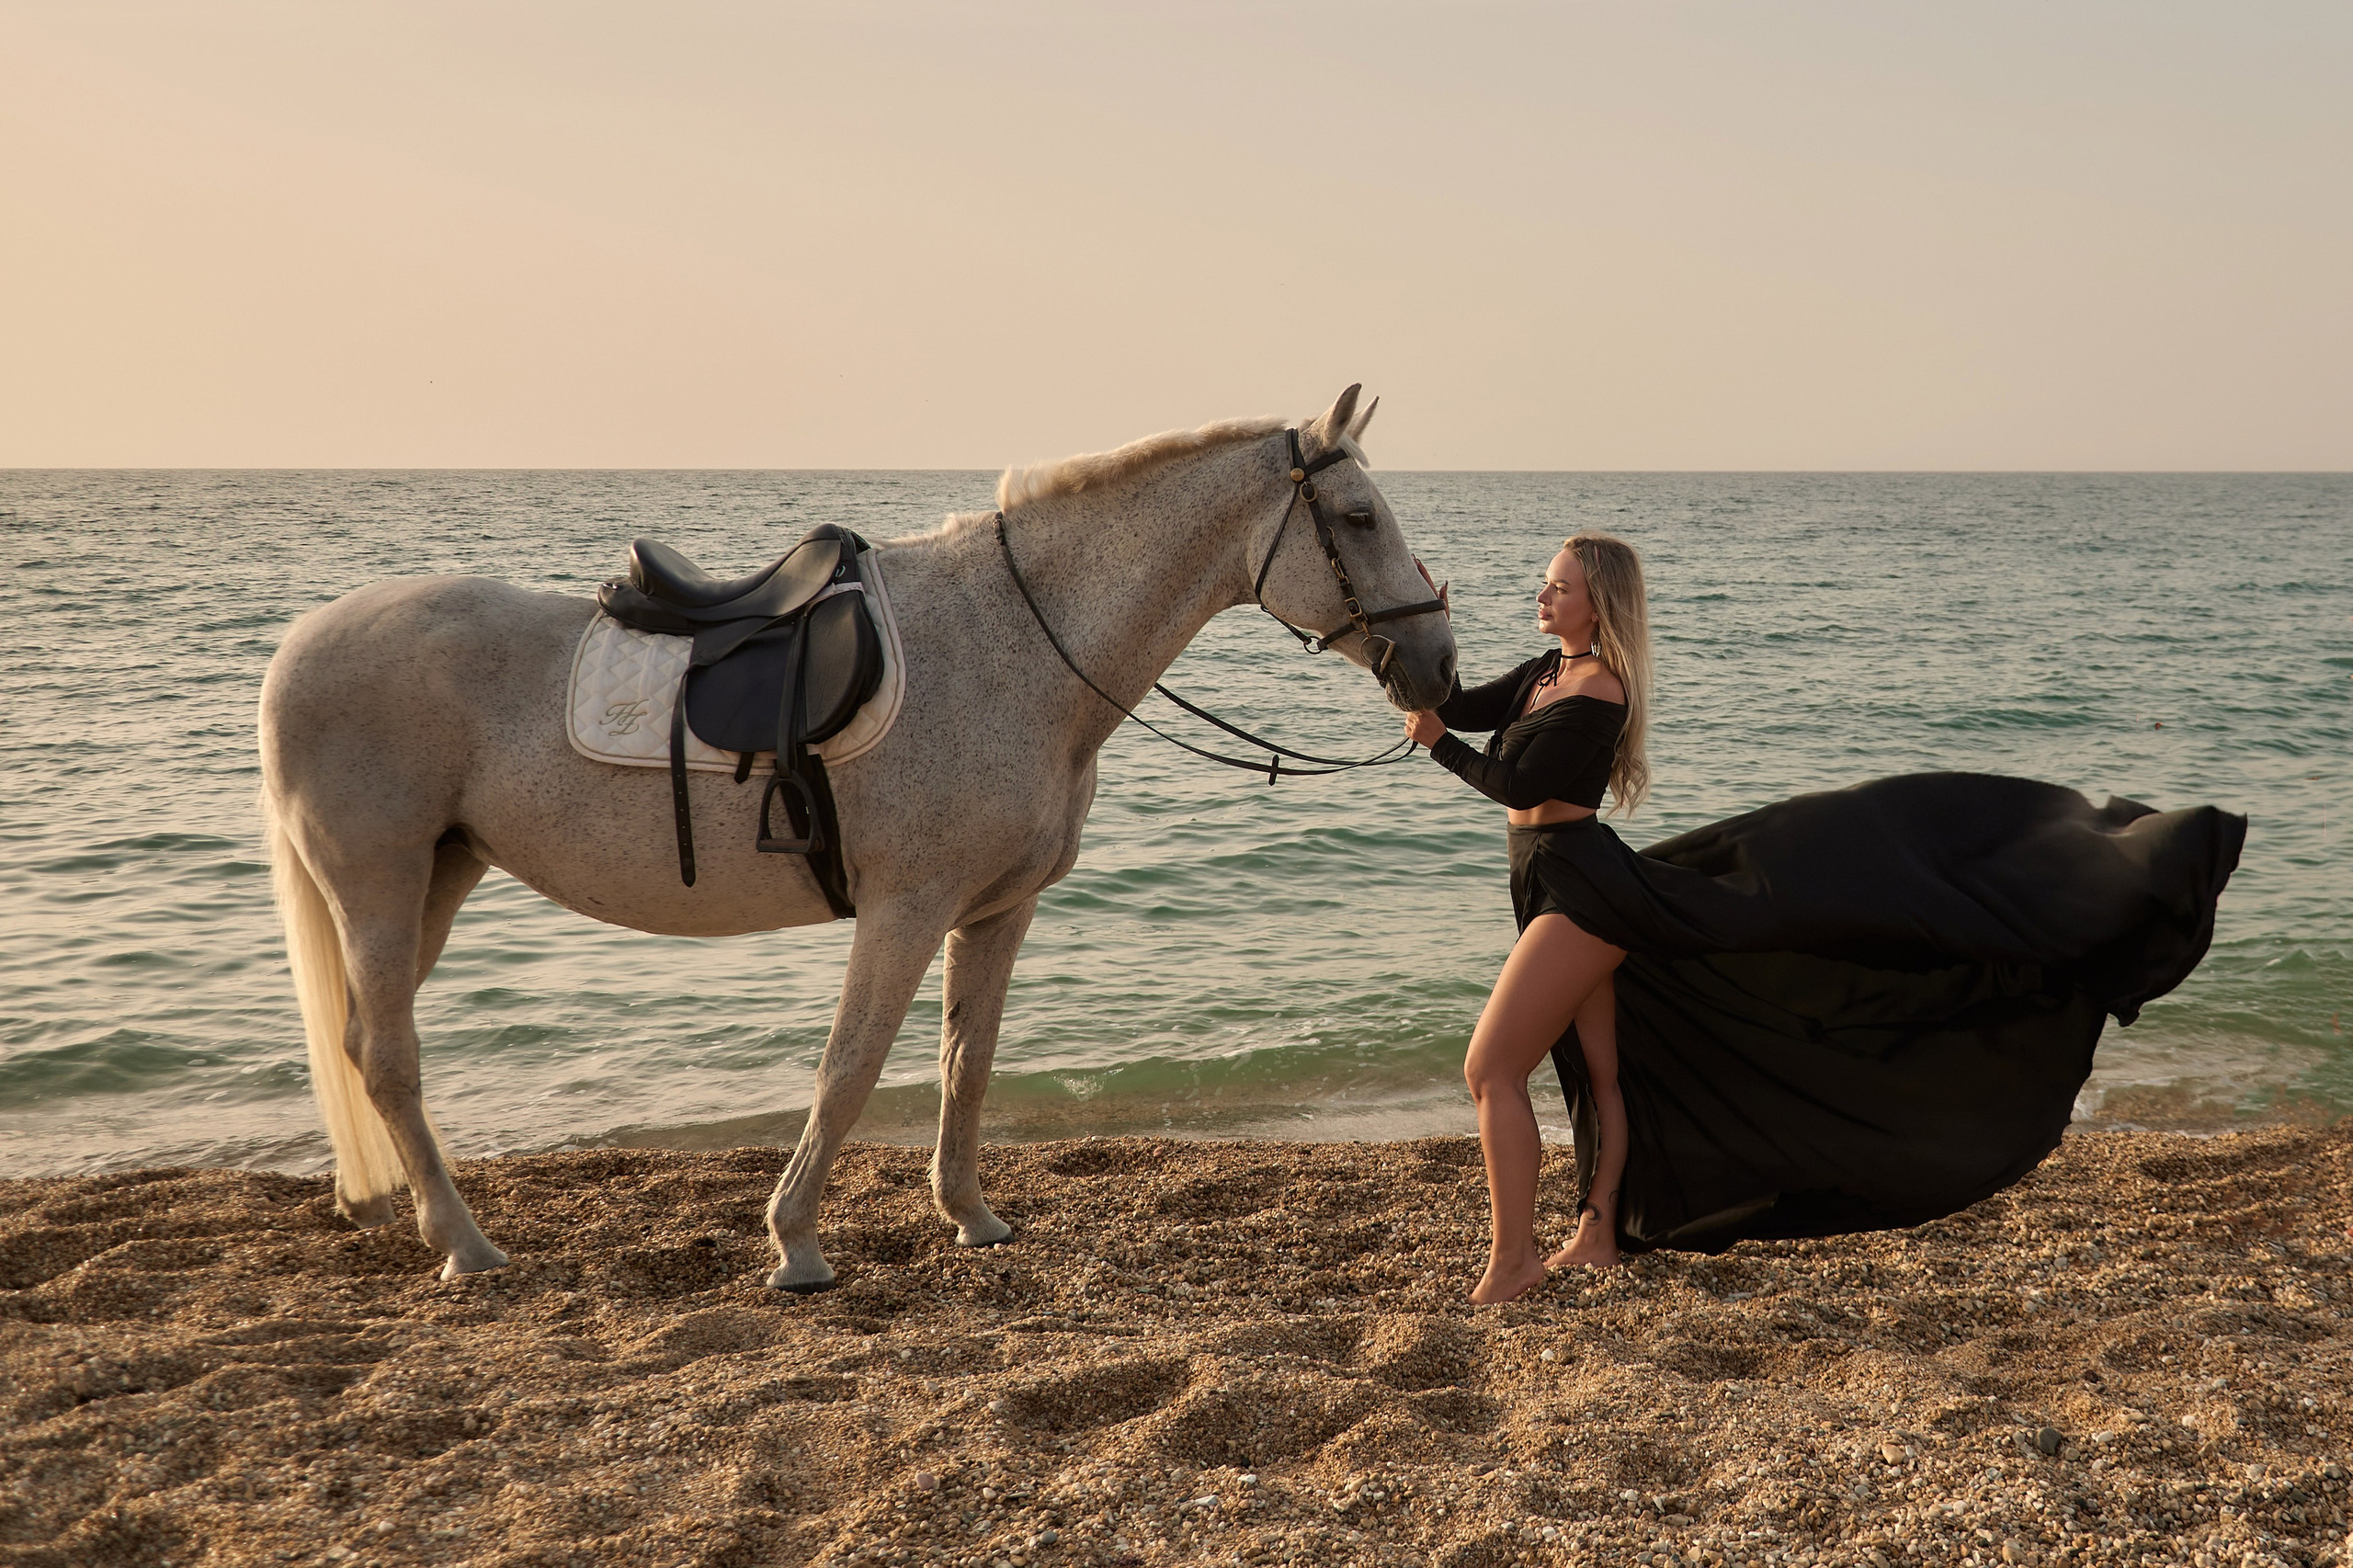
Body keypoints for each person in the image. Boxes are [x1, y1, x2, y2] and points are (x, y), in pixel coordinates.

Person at [1406, 533, 2244, 1306]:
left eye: (1558, 587)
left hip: (1580, 890)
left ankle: (1514, 1260)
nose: (1542, 595)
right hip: (1546, 878)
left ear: (1600, 604)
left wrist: (1439, 742)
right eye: (1545, 584)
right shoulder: (1542, 673)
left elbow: (1515, 787)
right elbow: (1454, 702)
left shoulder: (1599, 691)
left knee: (1492, 1068)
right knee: (1603, 1070)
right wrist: (1419, 631)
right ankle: (1597, 1235)